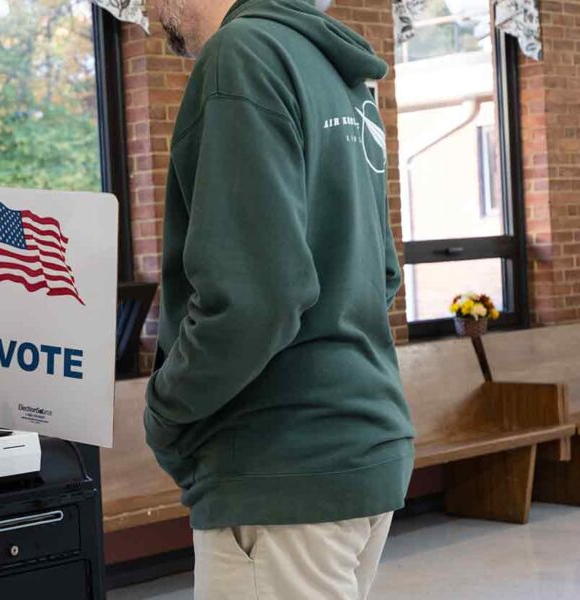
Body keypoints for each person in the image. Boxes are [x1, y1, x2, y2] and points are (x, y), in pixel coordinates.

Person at [142, 0, 415, 598]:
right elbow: (383, 272)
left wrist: (165, 411)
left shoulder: (239, 56)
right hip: (363, 438)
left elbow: (256, 298)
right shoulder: (333, 66)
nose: (142, 7)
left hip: (280, 462)